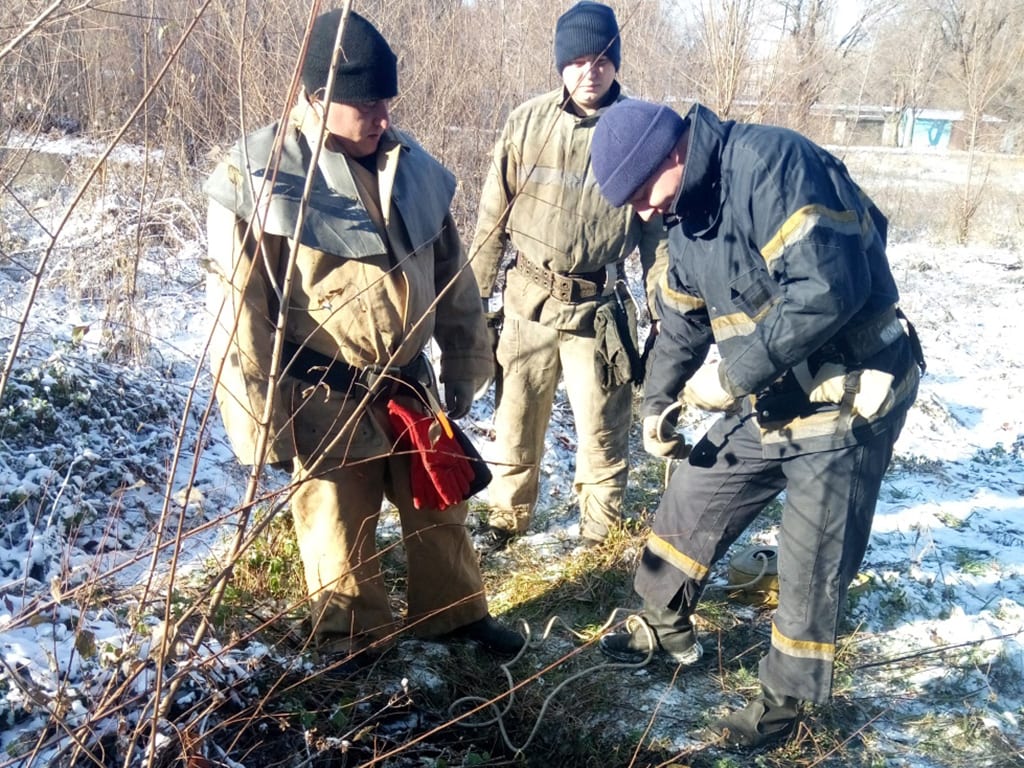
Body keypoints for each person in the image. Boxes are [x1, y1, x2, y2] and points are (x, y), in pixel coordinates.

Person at [588, 99, 925, 748]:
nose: (641, 212)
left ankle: (781, 706)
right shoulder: (684, 217)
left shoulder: (773, 163)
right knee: (694, 490)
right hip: (776, 388)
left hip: (852, 388)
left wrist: (733, 376)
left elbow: (828, 286)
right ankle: (661, 620)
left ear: (673, 153)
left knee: (810, 554)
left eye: (639, 194)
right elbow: (682, 324)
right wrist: (657, 403)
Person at [204, 9, 523, 664]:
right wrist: (260, 423)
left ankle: (454, 617)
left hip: (410, 381)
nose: (380, 115)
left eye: (385, 100)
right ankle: (352, 642)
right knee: (337, 528)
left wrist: (466, 364)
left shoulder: (414, 169)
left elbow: (452, 281)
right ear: (314, 99)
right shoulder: (260, 176)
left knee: (439, 506)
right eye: (363, 103)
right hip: (322, 391)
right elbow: (239, 312)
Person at [469, 1, 668, 552]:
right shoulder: (527, 123)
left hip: (596, 308)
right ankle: (506, 522)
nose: (591, 70)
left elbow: (656, 238)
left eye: (603, 59)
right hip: (527, 302)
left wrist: (663, 315)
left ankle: (598, 534)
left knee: (604, 430)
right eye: (579, 59)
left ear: (616, 63)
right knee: (514, 421)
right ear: (560, 64)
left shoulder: (641, 130)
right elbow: (492, 221)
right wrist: (472, 304)